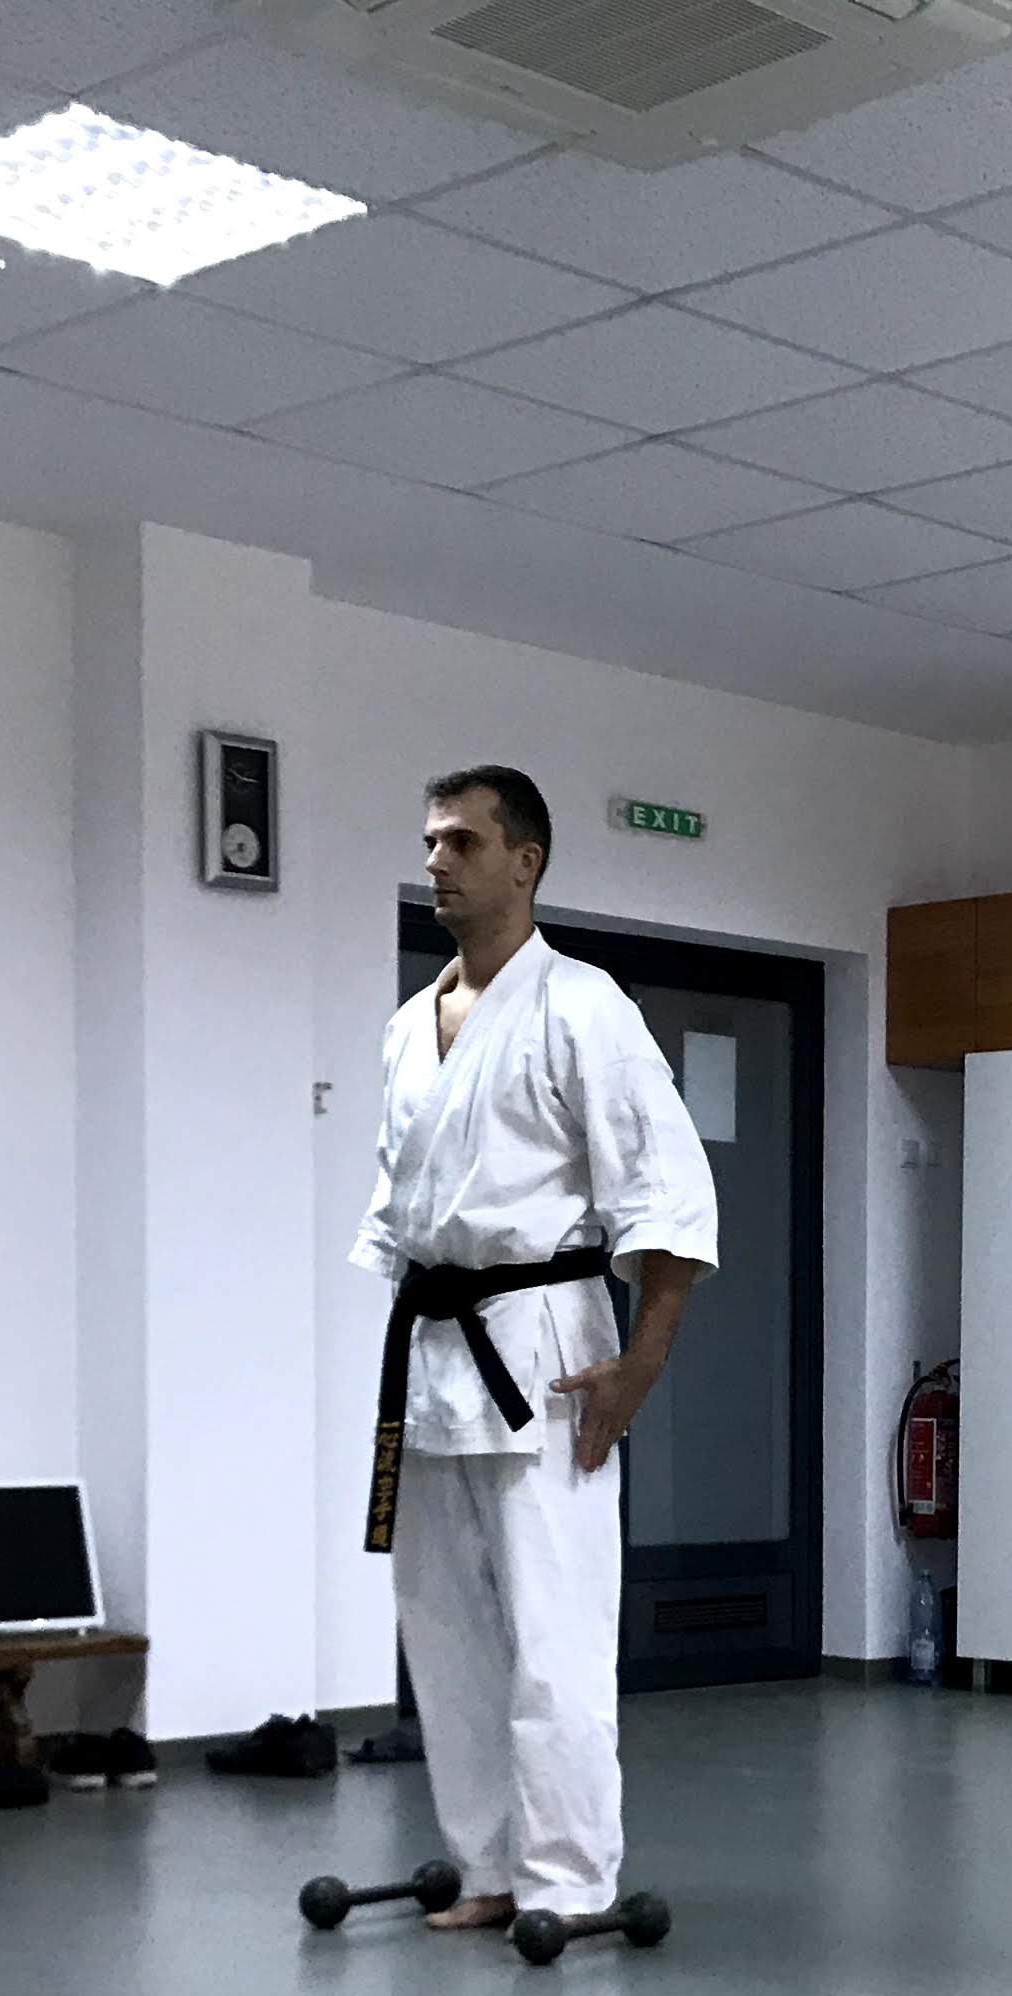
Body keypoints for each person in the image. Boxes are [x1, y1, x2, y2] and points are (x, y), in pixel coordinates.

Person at [353, 766, 717, 1933]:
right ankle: (488, 1869)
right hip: (433, 1354)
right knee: (445, 1631)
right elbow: (398, 1213)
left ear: (526, 861)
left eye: (463, 841)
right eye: (430, 840)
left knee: (555, 1636)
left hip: (550, 1355)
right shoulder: (407, 1028)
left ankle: (568, 1880)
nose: (437, 861)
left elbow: (668, 1199)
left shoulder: (583, 1008)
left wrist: (641, 1365)